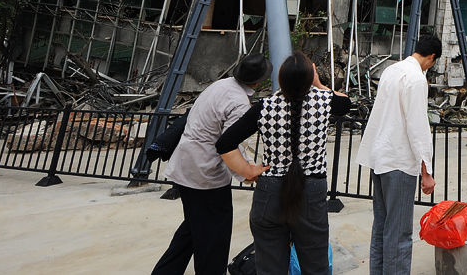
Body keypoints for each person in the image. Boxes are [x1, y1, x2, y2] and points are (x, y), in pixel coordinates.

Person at [216, 50, 351, 274]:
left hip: (270, 190)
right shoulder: (325, 102)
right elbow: (345, 103)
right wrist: (318, 83)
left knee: (269, 267)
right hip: (311, 190)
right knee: (315, 264)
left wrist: (248, 171)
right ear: (310, 78)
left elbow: (224, 144)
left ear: (280, 79)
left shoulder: (264, 106)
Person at [152, 54, 271, 275]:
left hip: (187, 165)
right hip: (205, 175)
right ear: (259, 81)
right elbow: (228, 144)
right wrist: (247, 172)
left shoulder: (220, 85)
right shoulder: (238, 103)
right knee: (214, 237)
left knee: (193, 227)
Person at [356, 34, 441, 275]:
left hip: (380, 156)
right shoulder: (415, 79)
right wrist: (427, 171)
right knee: (400, 232)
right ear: (431, 58)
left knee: (382, 227)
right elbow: (417, 127)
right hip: (399, 161)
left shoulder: (391, 71)